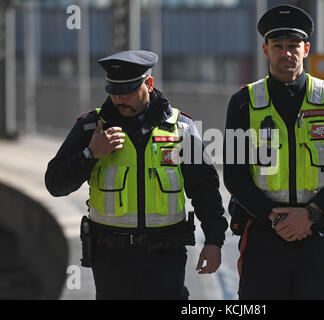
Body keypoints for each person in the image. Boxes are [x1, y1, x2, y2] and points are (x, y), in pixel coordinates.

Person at [45, 50, 228, 299]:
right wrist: (90, 154)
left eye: (128, 90)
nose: (119, 99)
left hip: (165, 259)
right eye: (114, 90)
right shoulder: (91, 127)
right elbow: (55, 184)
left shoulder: (181, 128)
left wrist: (214, 241)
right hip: (111, 260)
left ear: (149, 84)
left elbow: (204, 188)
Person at [223, 5, 324, 299]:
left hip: (315, 235)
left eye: (294, 46)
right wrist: (276, 219)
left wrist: (310, 214)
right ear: (265, 50)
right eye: (278, 46)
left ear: (306, 49)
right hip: (262, 235)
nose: (287, 53)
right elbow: (234, 175)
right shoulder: (242, 103)